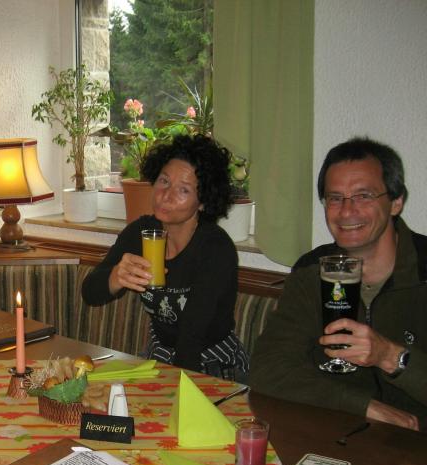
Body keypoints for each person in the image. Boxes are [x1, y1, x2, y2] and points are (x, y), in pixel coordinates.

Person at [250, 137, 426, 431]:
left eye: (363, 196)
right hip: (337, 433)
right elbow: (268, 368)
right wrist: (363, 406)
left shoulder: (423, 269)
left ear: (396, 202)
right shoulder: (312, 270)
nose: (346, 211)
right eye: (335, 198)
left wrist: (390, 356)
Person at [82, 134, 248, 380]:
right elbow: (90, 293)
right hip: (161, 355)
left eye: (184, 190)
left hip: (213, 362)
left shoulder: (215, 249)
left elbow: (192, 337)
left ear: (203, 202)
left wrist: (170, 391)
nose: (166, 195)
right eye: (164, 181)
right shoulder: (140, 232)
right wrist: (115, 277)